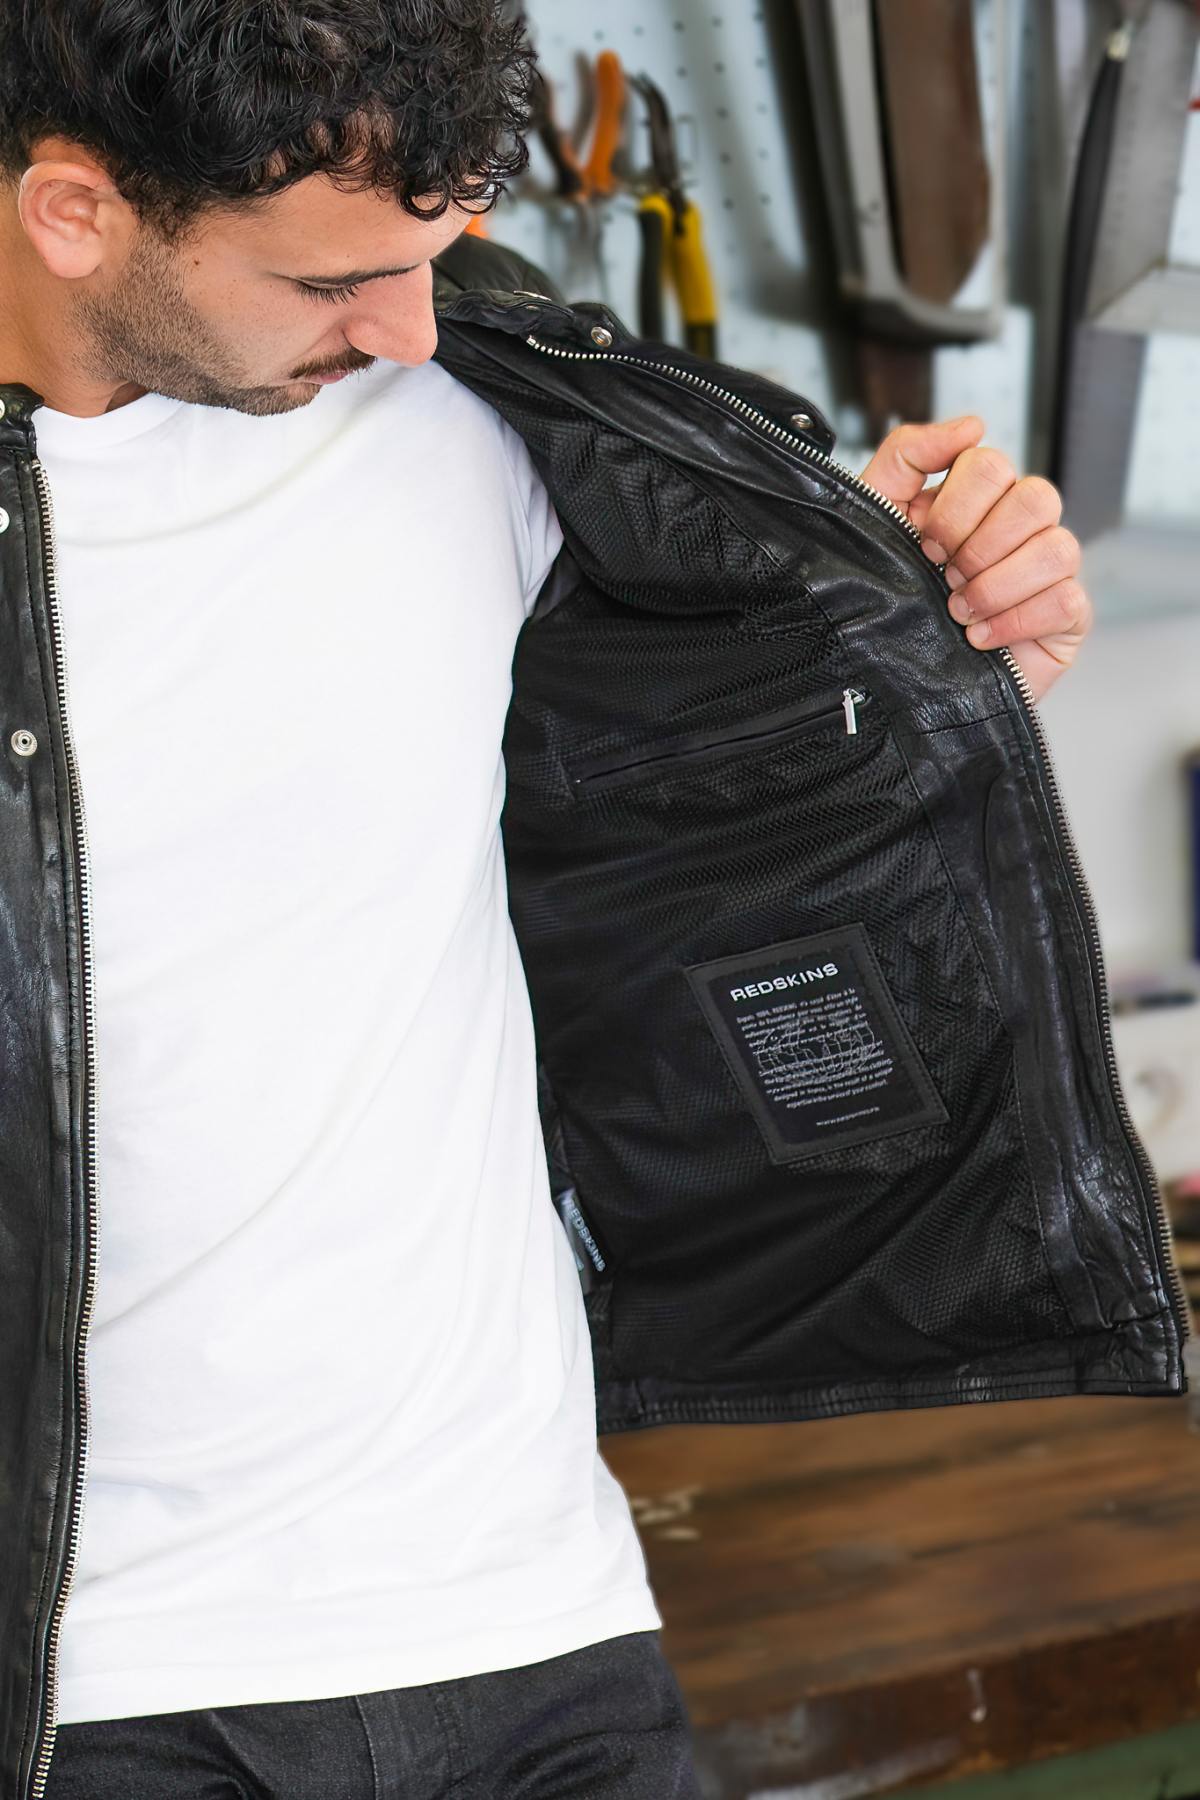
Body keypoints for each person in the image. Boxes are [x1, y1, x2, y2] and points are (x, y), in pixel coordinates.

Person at [0, 4, 1092, 1797]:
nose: (411, 327)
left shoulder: (498, 410)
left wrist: (935, 661)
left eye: (436, 255)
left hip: (534, 1633)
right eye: (334, 280)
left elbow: (714, 824)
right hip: (100, 1684)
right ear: (75, 214)